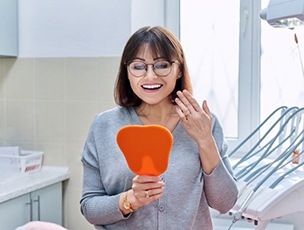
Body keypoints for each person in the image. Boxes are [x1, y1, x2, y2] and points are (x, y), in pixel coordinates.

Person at [80, 26, 238, 230]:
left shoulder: (204, 122)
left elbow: (225, 203)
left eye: (162, 65)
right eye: (138, 67)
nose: (150, 76)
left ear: (179, 69)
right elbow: (89, 208)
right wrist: (130, 200)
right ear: (127, 72)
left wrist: (205, 140)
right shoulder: (104, 126)